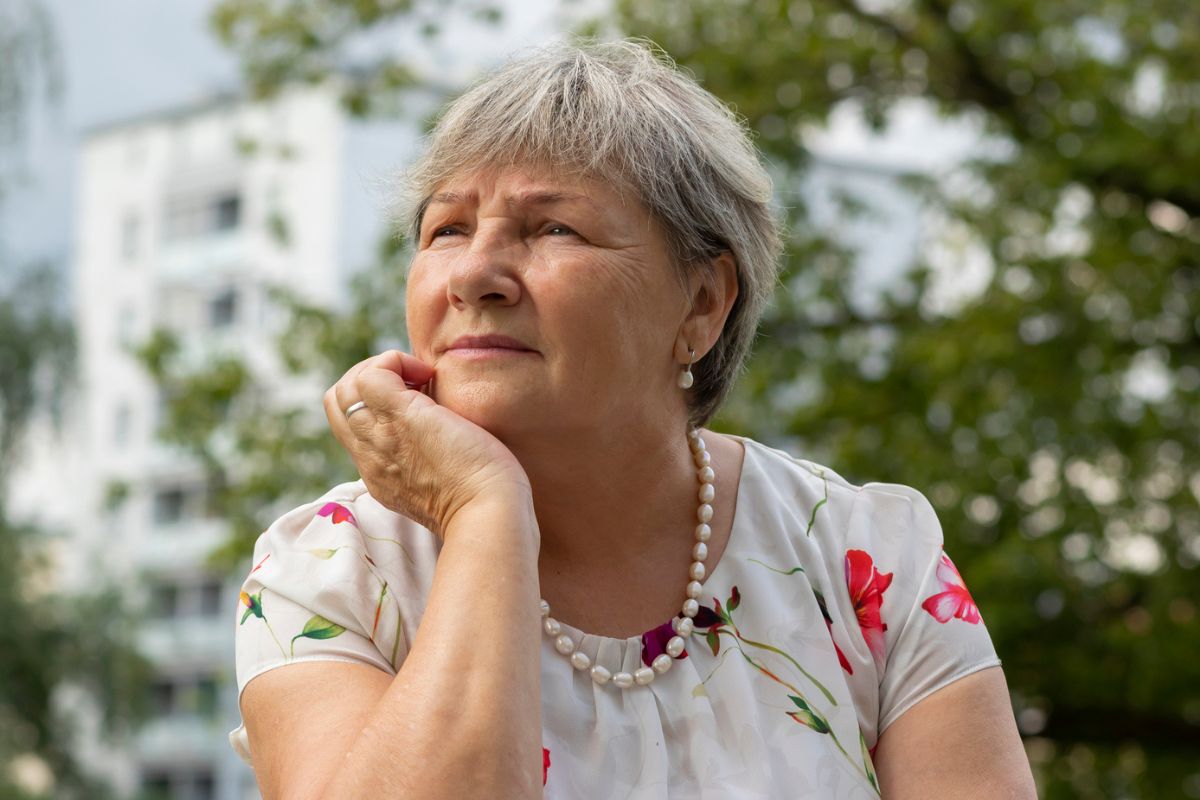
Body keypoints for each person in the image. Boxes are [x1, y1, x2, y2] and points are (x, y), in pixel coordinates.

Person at [231, 39, 1036, 799]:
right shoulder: (331, 572)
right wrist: (484, 514)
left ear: (702, 303)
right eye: (448, 229)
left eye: (553, 227)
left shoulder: (873, 563)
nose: (474, 274)